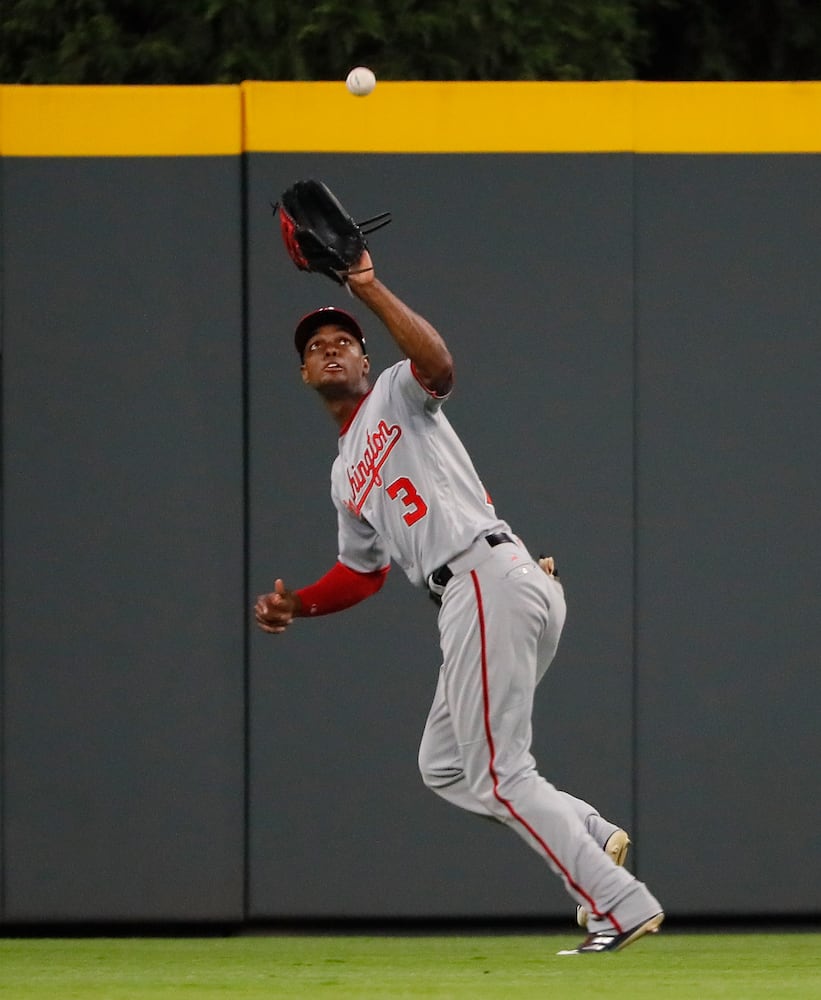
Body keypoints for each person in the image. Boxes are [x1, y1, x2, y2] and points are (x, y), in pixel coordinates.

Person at [254, 247, 664, 954]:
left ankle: (616, 905)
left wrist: (368, 287)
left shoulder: (392, 390)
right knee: (446, 764)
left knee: (502, 774)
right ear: (301, 373)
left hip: (484, 578)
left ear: (361, 359)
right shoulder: (343, 474)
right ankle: (589, 832)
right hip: (486, 590)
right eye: (315, 348)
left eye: (342, 343)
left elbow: (438, 366)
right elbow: (363, 572)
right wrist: (302, 606)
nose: (329, 352)